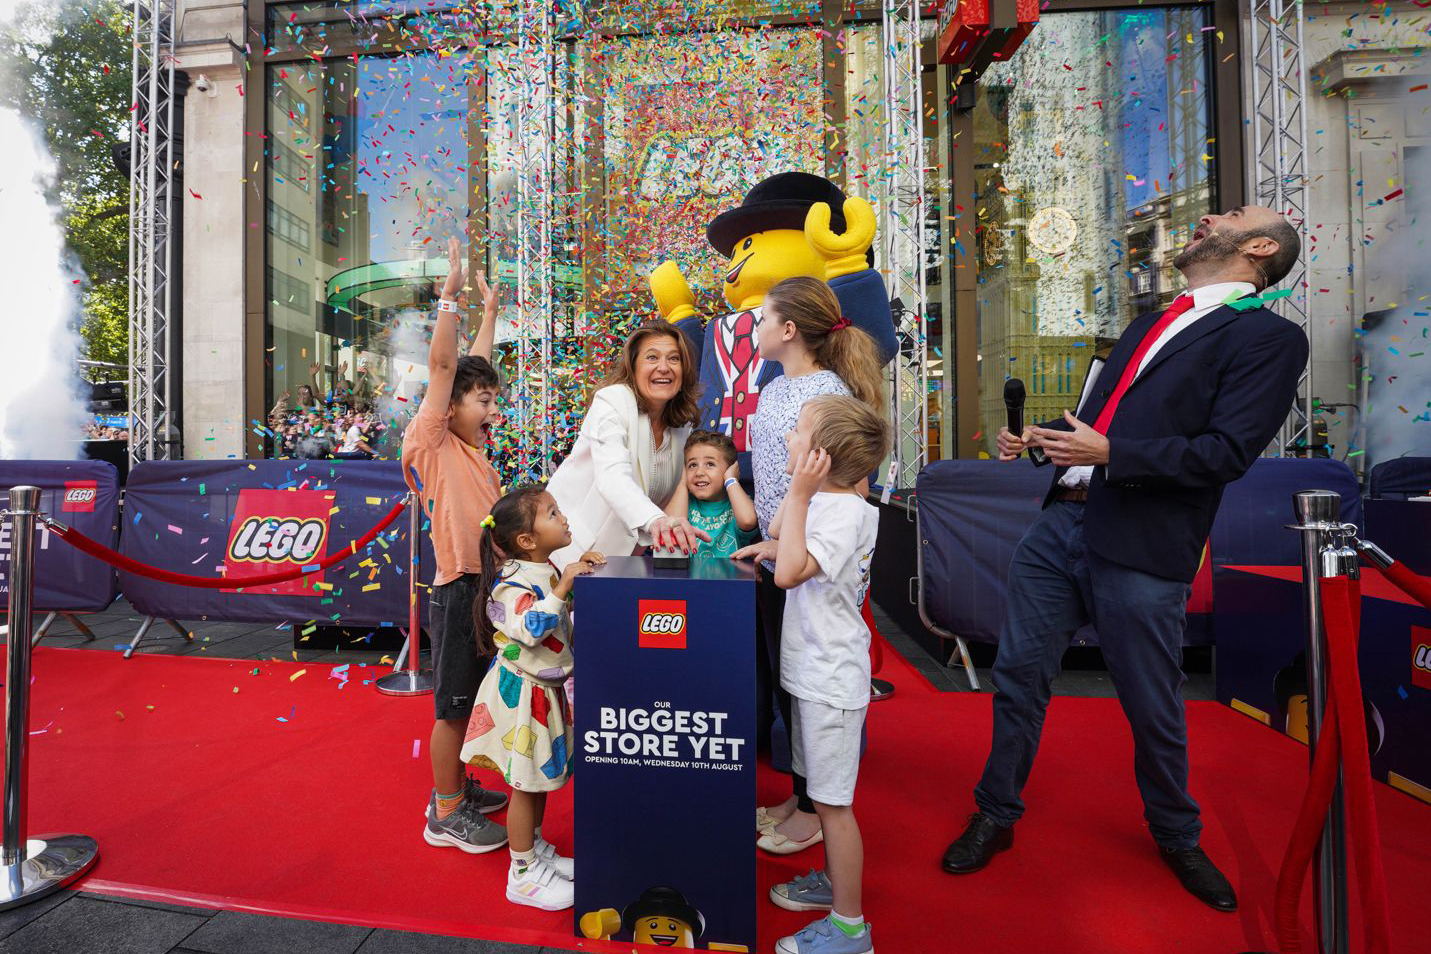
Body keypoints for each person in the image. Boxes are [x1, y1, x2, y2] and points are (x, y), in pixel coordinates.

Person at [941, 205, 1310, 913]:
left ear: (1261, 247)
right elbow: (1101, 419)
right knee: (1017, 678)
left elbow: (1226, 453)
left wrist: (1110, 453)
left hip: (1144, 540)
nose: (1210, 216)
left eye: (1233, 215)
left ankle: (1176, 834)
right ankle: (995, 812)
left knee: (1150, 699)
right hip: (1059, 524)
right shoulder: (1149, 324)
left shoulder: (1269, 338)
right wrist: (1042, 437)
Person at [731, 276, 884, 856]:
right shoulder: (775, 387)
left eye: (764, 318)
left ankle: (819, 806)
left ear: (789, 328)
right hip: (783, 546)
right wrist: (775, 541)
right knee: (787, 680)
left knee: (809, 686)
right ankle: (801, 796)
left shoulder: (827, 394)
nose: (756, 329)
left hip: (810, 557)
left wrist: (813, 547)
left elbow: (851, 486)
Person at [765, 395, 887, 954]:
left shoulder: (840, 510)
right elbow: (784, 538)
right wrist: (796, 501)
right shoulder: (827, 503)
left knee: (833, 807)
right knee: (820, 792)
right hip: (814, 672)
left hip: (831, 678)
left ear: (821, 456)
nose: (787, 440)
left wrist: (798, 493)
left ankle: (850, 928)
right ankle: (835, 885)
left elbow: (789, 573)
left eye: (797, 433)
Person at [403, 235, 509, 853]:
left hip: (483, 587)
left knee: (470, 700)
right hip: (457, 590)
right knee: (451, 708)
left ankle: (457, 788)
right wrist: (450, 295)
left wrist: (489, 313)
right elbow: (448, 370)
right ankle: (444, 812)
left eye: (495, 399)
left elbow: (471, 369)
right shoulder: (434, 438)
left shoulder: (470, 444)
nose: (493, 408)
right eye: (485, 401)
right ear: (450, 407)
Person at [460, 485, 604, 911]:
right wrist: (564, 588)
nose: (563, 517)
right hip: (523, 694)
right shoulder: (512, 581)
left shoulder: (543, 567)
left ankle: (535, 850)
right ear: (526, 540)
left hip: (543, 690)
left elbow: (556, 619)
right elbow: (530, 628)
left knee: (538, 780)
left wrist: (574, 582)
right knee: (525, 784)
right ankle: (522, 874)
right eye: (552, 513)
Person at [547, 321, 712, 565]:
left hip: (620, 564)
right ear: (633, 368)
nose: (664, 367)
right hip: (568, 553)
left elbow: (675, 496)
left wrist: (674, 548)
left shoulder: (681, 426)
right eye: (652, 357)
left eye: (674, 359)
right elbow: (612, 476)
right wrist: (655, 520)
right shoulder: (612, 401)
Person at [660, 429, 759, 559]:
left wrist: (730, 480)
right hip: (690, 572)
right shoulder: (684, 502)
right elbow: (671, 525)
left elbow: (748, 521)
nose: (699, 472)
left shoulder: (737, 502)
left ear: (730, 470)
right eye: (692, 465)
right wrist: (682, 481)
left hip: (729, 572)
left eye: (710, 464)